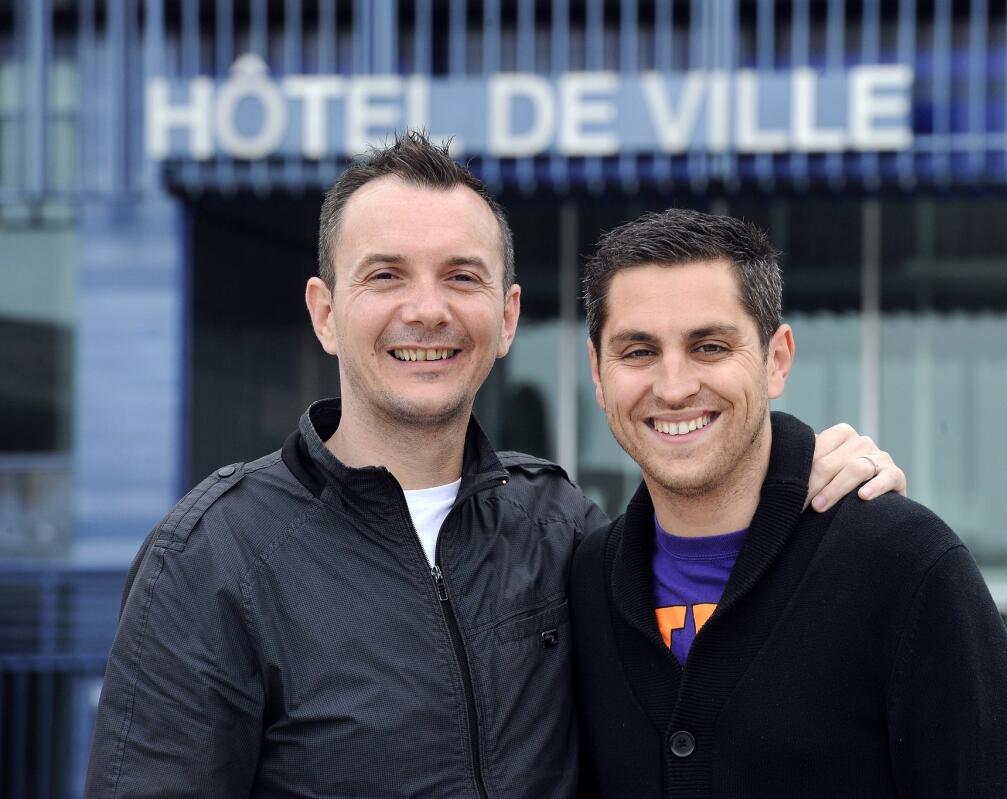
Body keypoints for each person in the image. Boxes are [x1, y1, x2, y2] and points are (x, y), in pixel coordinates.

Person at [84, 132, 906, 798]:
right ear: (325, 312)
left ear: (507, 315)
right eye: (386, 276)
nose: (428, 309)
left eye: (462, 277)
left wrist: (809, 478)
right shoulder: (211, 561)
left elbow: (720, 589)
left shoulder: (563, 529)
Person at [570, 209, 1007, 798]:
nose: (673, 387)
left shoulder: (906, 567)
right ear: (597, 371)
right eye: (638, 351)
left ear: (777, 359)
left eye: (711, 346)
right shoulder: (580, 585)